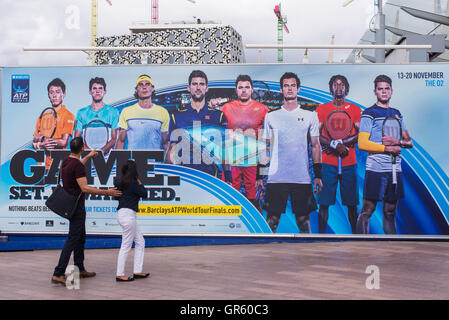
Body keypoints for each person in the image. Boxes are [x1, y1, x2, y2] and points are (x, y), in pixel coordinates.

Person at [51, 137, 122, 286]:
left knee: (80, 237)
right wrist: (107, 192)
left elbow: (76, 168)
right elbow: (85, 188)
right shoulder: (77, 165)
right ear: (82, 148)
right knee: (72, 239)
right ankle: (58, 273)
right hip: (77, 207)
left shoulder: (67, 161)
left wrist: (88, 157)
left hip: (70, 205)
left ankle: (80, 269)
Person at [259, 72, 322, 233]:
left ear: (298, 89)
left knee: (303, 222)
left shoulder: (310, 116)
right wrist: (260, 176)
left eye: (293, 85)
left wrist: (318, 175)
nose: (290, 89)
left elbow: (315, 146)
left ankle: (306, 257)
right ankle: (266, 256)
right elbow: (265, 147)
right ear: (281, 89)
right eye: (286, 86)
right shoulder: (271, 116)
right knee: (272, 220)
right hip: (276, 178)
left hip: (301, 178)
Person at [356, 74, 413, 234]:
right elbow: (362, 143)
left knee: (390, 212)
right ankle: (360, 249)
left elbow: (409, 142)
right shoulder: (369, 112)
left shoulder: (397, 113)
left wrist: (398, 143)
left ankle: (392, 248)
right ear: (375, 92)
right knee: (367, 211)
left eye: (387, 88)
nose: (384, 92)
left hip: (395, 170)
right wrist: (387, 148)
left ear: (391, 91)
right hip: (376, 169)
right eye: (380, 89)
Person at [167, 70, 232, 182]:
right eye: (194, 84)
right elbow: (172, 149)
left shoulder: (218, 116)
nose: (198, 87)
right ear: (189, 88)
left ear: (206, 88)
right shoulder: (176, 116)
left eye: (201, 84)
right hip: (185, 177)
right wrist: (168, 176)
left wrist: (228, 178)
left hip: (211, 177)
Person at [315, 75, 361, 233]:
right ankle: (320, 238)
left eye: (342, 85)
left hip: (349, 163)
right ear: (331, 88)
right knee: (324, 203)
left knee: (352, 204)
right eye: (336, 85)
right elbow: (316, 134)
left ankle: (357, 237)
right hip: (328, 163)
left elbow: (361, 134)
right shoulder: (322, 109)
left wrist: (342, 144)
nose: (339, 87)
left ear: (346, 88)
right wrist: (333, 144)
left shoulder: (355, 110)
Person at [220, 75, 269, 208]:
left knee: (254, 200)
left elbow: (265, 142)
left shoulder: (263, 109)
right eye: (240, 87)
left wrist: (261, 174)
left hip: (253, 161)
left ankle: (258, 228)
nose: (243, 90)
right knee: (230, 199)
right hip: (232, 161)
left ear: (252, 89)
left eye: (247, 87)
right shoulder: (225, 108)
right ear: (236, 90)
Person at [114, 160, 149, 282]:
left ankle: (138, 271)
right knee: (126, 245)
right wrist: (139, 180)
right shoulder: (134, 183)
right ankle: (120, 274)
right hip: (128, 216)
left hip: (124, 214)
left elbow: (115, 195)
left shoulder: (119, 181)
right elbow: (144, 194)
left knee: (140, 241)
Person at [116, 75, 170, 152]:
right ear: (136, 89)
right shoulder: (126, 111)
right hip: (132, 162)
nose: (144, 87)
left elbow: (165, 143)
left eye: (147, 84)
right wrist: (118, 162)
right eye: (141, 84)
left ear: (152, 88)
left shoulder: (162, 112)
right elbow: (121, 141)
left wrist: (167, 163)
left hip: (155, 162)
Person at [33, 78, 75, 170]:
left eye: (58, 92)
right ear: (48, 95)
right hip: (41, 168)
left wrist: (45, 140)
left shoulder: (69, 115)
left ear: (64, 94)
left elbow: (64, 142)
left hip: (59, 167)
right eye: (51, 92)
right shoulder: (42, 116)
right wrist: (42, 143)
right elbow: (34, 141)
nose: (54, 95)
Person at [74, 77, 120, 156]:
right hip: (87, 157)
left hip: (106, 159)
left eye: (100, 88)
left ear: (105, 91)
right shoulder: (81, 113)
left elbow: (114, 138)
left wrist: (101, 151)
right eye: (94, 88)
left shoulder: (113, 112)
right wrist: (89, 152)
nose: (97, 91)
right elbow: (76, 138)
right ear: (90, 91)